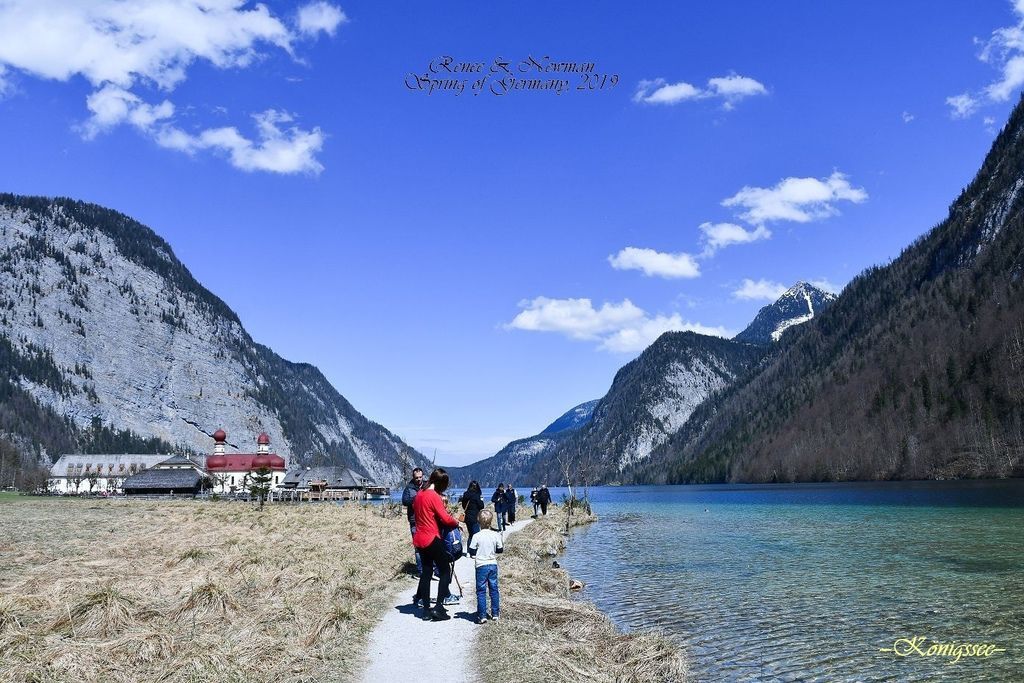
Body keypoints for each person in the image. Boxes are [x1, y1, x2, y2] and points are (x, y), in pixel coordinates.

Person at [412, 468, 460, 621]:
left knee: (426, 572)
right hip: (431, 537)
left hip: (419, 538)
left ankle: (426, 610)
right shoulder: (434, 496)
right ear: (441, 483)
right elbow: (445, 518)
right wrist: (456, 522)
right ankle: (439, 607)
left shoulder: (419, 494)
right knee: (445, 569)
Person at [469, 508, 502, 624]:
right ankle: (495, 614)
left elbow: (472, 551)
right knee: (494, 589)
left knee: (481, 590)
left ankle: (482, 615)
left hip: (481, 565)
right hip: (492, 564)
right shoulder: (495, 534)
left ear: (478, 521)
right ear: (491, 521)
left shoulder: (476, 536)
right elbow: (500, 549)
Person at [401, 467, 424, 576]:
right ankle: (420, 571)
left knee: (430, 545)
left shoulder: (427, 486)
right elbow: (405, 501)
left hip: (426, 520)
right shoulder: (409, 488)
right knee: (418, 547)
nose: (419, 479)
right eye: (416, 478)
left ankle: (431, 568)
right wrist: (417, 499)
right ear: (413, 477)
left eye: (420, 477)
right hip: (414, 520)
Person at [460, 481, 484, 546]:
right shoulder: (476, 495)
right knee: (476, 535)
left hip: (467, 517)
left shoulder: (465, 494)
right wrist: (481, 500)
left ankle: (468, 551)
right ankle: (473, 551)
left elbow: (463, 505)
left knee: (471, 534)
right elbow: (481, 506)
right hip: (475, 517)